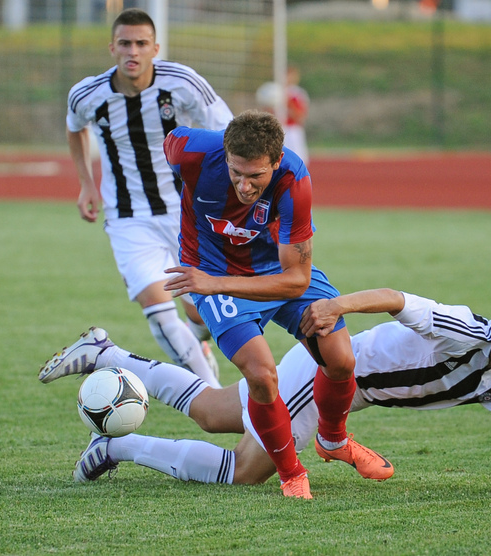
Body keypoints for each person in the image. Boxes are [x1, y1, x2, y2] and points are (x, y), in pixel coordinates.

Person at [40, 287, 491, 498]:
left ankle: (106, 353)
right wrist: (338, 307)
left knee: (212, 412)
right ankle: (116, 446)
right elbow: (394, 298)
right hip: (326, 378)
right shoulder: (462, 326)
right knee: (245, 471)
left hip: (341, 395)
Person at [162, 110, 382, 499]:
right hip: (210, 270)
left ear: (277, 161)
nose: (244, 185)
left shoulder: (294, 180)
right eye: (235, 173)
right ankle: (291, 472)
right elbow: (164, 145)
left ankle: (333, 439)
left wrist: (213, 285)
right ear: (225, 154)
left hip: (275, 271)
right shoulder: (189, 151)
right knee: (262, 374)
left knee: (341, 359)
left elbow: (297, 279)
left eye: (256, 176)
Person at [57, 8, 233, 388]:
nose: (132, 51)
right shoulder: (88, 94)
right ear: (112, 48)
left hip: (187, 212)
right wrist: (86, 183)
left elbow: (227, 131)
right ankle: (213, 394)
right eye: (125, 43)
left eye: (141, 43)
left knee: (200, 312)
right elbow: (75, 128)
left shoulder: (183, 82)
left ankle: (199, 343)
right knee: (160, 314)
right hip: (128, 218)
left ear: (155, 48)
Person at [255, 67, 310, 164]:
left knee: (298, 160)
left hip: (292, 130)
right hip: (276, 128)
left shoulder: (296, 93)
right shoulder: (272, 90)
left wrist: (288, 104)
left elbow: (300, 116)